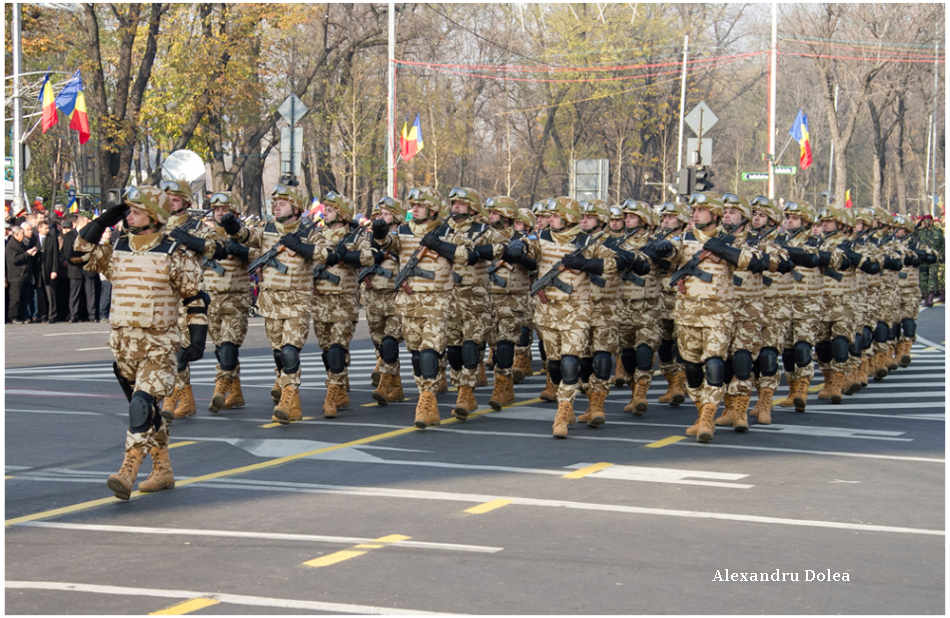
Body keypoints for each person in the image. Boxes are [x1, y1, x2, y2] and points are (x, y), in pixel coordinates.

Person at [74, 186, 208, 499]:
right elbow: (78, 255)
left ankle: (128, 469)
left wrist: (197, 342)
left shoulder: (175, 253)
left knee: (141, 406)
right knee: (148, 415)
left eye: (134, 210)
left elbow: (196, 299)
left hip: (159, 346)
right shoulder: (118, 246)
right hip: (124, 347)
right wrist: (101, 222)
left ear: (153, 216)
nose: (128, 215)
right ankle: (163, 470)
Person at [222, 183, 330, 423]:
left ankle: (289, 396)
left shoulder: (309, 231)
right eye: (274, 203)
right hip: (270, 301)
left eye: (282, 203)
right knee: (279, 353)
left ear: (296, 207)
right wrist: (231, 225)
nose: (276, 206)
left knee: (291, 350)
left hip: (297, 301)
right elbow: (246, 236)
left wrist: (300, 247)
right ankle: (293, 400)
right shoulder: (268, 228)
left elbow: (327, 254)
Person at [373, 187, 476, 428]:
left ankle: (428, 401)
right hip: (409, 303)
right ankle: (424, 395)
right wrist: (379, 232)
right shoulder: (405, 231)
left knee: (430, 352)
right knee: (417, 354)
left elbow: (469, 256)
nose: (414, 209)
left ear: (432, 209)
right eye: (412, 205)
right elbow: (387, 243)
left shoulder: (448, 231)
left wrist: (439, 245)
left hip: (437, 302)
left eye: (419, 205)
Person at [670, 192, 765, 442]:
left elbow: (759, 261)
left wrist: (722, 250)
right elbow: (668, 255)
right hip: (690, 313)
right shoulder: (684, 240)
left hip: (733, 310)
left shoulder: (746, 241)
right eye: (694, 211)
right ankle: (703, 412)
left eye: (702, 210)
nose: (695, 214)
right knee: (691, 367)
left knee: (727, 362)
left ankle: (732, 410)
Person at [532, 197, 624, 438]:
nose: (549, 219)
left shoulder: (587, 242)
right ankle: (568, 405)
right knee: (553, 365)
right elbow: (525, 247)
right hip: (548, 311)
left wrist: (586, 263)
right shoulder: (540, 237)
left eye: (554, 215)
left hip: (577, 310)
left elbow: (617, 261)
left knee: (570, 362)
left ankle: (563, 411)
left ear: (567, 217)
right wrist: (516, 249)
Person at [159, 178, 228, 420]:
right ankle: (184, 396)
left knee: (180, 350)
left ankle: (174, 396)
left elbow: (219, 248)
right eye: (167, 198)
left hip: (188, 298)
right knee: (165, 349)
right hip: (160, 297)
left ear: (186, 201)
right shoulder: (156, 224)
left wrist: (188, 239)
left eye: (175, 198)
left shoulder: (196, 226)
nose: (170, 202)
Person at [443, 188, 507, 418]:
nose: (456, 206)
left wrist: (476, 252)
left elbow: (501, 248)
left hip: (475, 296)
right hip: (448, 296)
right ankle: (461, 385)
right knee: (453, 349)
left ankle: (466, 391)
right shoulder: (443, 229)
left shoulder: (483, 230)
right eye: (454, 203)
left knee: (471, 345)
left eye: (461, 203)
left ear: (472, 208)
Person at [310, 191, 369, 418]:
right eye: (327, 208)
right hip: (320, 300)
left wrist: (346, 256)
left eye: (332, 208)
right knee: (327, 351)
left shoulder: (356, 237)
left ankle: (332, 393)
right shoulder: (316, 236)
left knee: (336, 348)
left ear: (343, 213)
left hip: (344, 300)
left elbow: (368, 257)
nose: (327, 212)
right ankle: (340, 386)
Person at [484, 196, 540, 410]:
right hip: (488, 295)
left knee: (507, 341)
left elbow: (536, 264)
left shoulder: (525, 239)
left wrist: (521, 256)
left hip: (513, 297)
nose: (490, 216)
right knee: (494, 344)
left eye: (494, 213)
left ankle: (504, 386)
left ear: (506, 215)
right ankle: (501, 381)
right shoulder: (485, 235)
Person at [200, 191, 253, 414]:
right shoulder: (206, 234)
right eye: (216, 210)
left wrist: (241, 250)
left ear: (235, 212)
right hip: (212, 297)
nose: (220, 214)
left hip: (236, 296)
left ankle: (220, 387)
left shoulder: (245, 235)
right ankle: (236, 390)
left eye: (225, 210)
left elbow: (256, 253)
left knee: (230, 344)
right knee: (221, 347)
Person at [615, 200, 669, 416]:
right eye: (625, 216)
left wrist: (660, 254)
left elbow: (669, 266)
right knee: (626, 354)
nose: (626, 220)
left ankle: (641, 394)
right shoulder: (617, 243)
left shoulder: (656, 243)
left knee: (645, 350)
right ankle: (632, 391)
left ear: (644, 221)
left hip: (648, 305)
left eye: (632, 216)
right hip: (622, 304)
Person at [774, 201, 823, 412]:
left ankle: (803, 387)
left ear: (806, 222)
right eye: (788, 218)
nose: (789, 221)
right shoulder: (778, 241)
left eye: (794, 218)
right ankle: (792, 388)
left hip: (807, 302)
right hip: (784, 300)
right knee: (787, 349)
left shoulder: (817, 242)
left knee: (803, 346)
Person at [358, 196, 407, 405]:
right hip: (373, 296)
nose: (380, 218)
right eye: (378, 214)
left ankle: (385, 382)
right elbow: (359, 257)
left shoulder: (404, 237)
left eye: (385, 214)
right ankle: (396, 387)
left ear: (396, 217)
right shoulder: (367, 238)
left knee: (389, 342)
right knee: (379, 344)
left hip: (396, 296)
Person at [6, 226, 36, 323]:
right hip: (16, 276)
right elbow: (15, 259)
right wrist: (27, 254)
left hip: (25, 276)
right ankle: (13, 317)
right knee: (16, 298)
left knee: (25, 298)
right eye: (22, 233)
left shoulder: (22, 244)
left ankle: (22, 316)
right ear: (16, 234)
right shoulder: (11, 246)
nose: (24, 235)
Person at [37, 218, 61, 323]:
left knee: (51, 294)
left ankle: (52, 315)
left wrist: (54, 270)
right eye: (45, 228)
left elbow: (56, 256)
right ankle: (42, 315)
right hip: (38, 270)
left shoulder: (52, 239)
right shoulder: (34, 239)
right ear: (39, 229)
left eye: (48, 228)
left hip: (49, 269)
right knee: (40, 293)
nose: (48, 230)